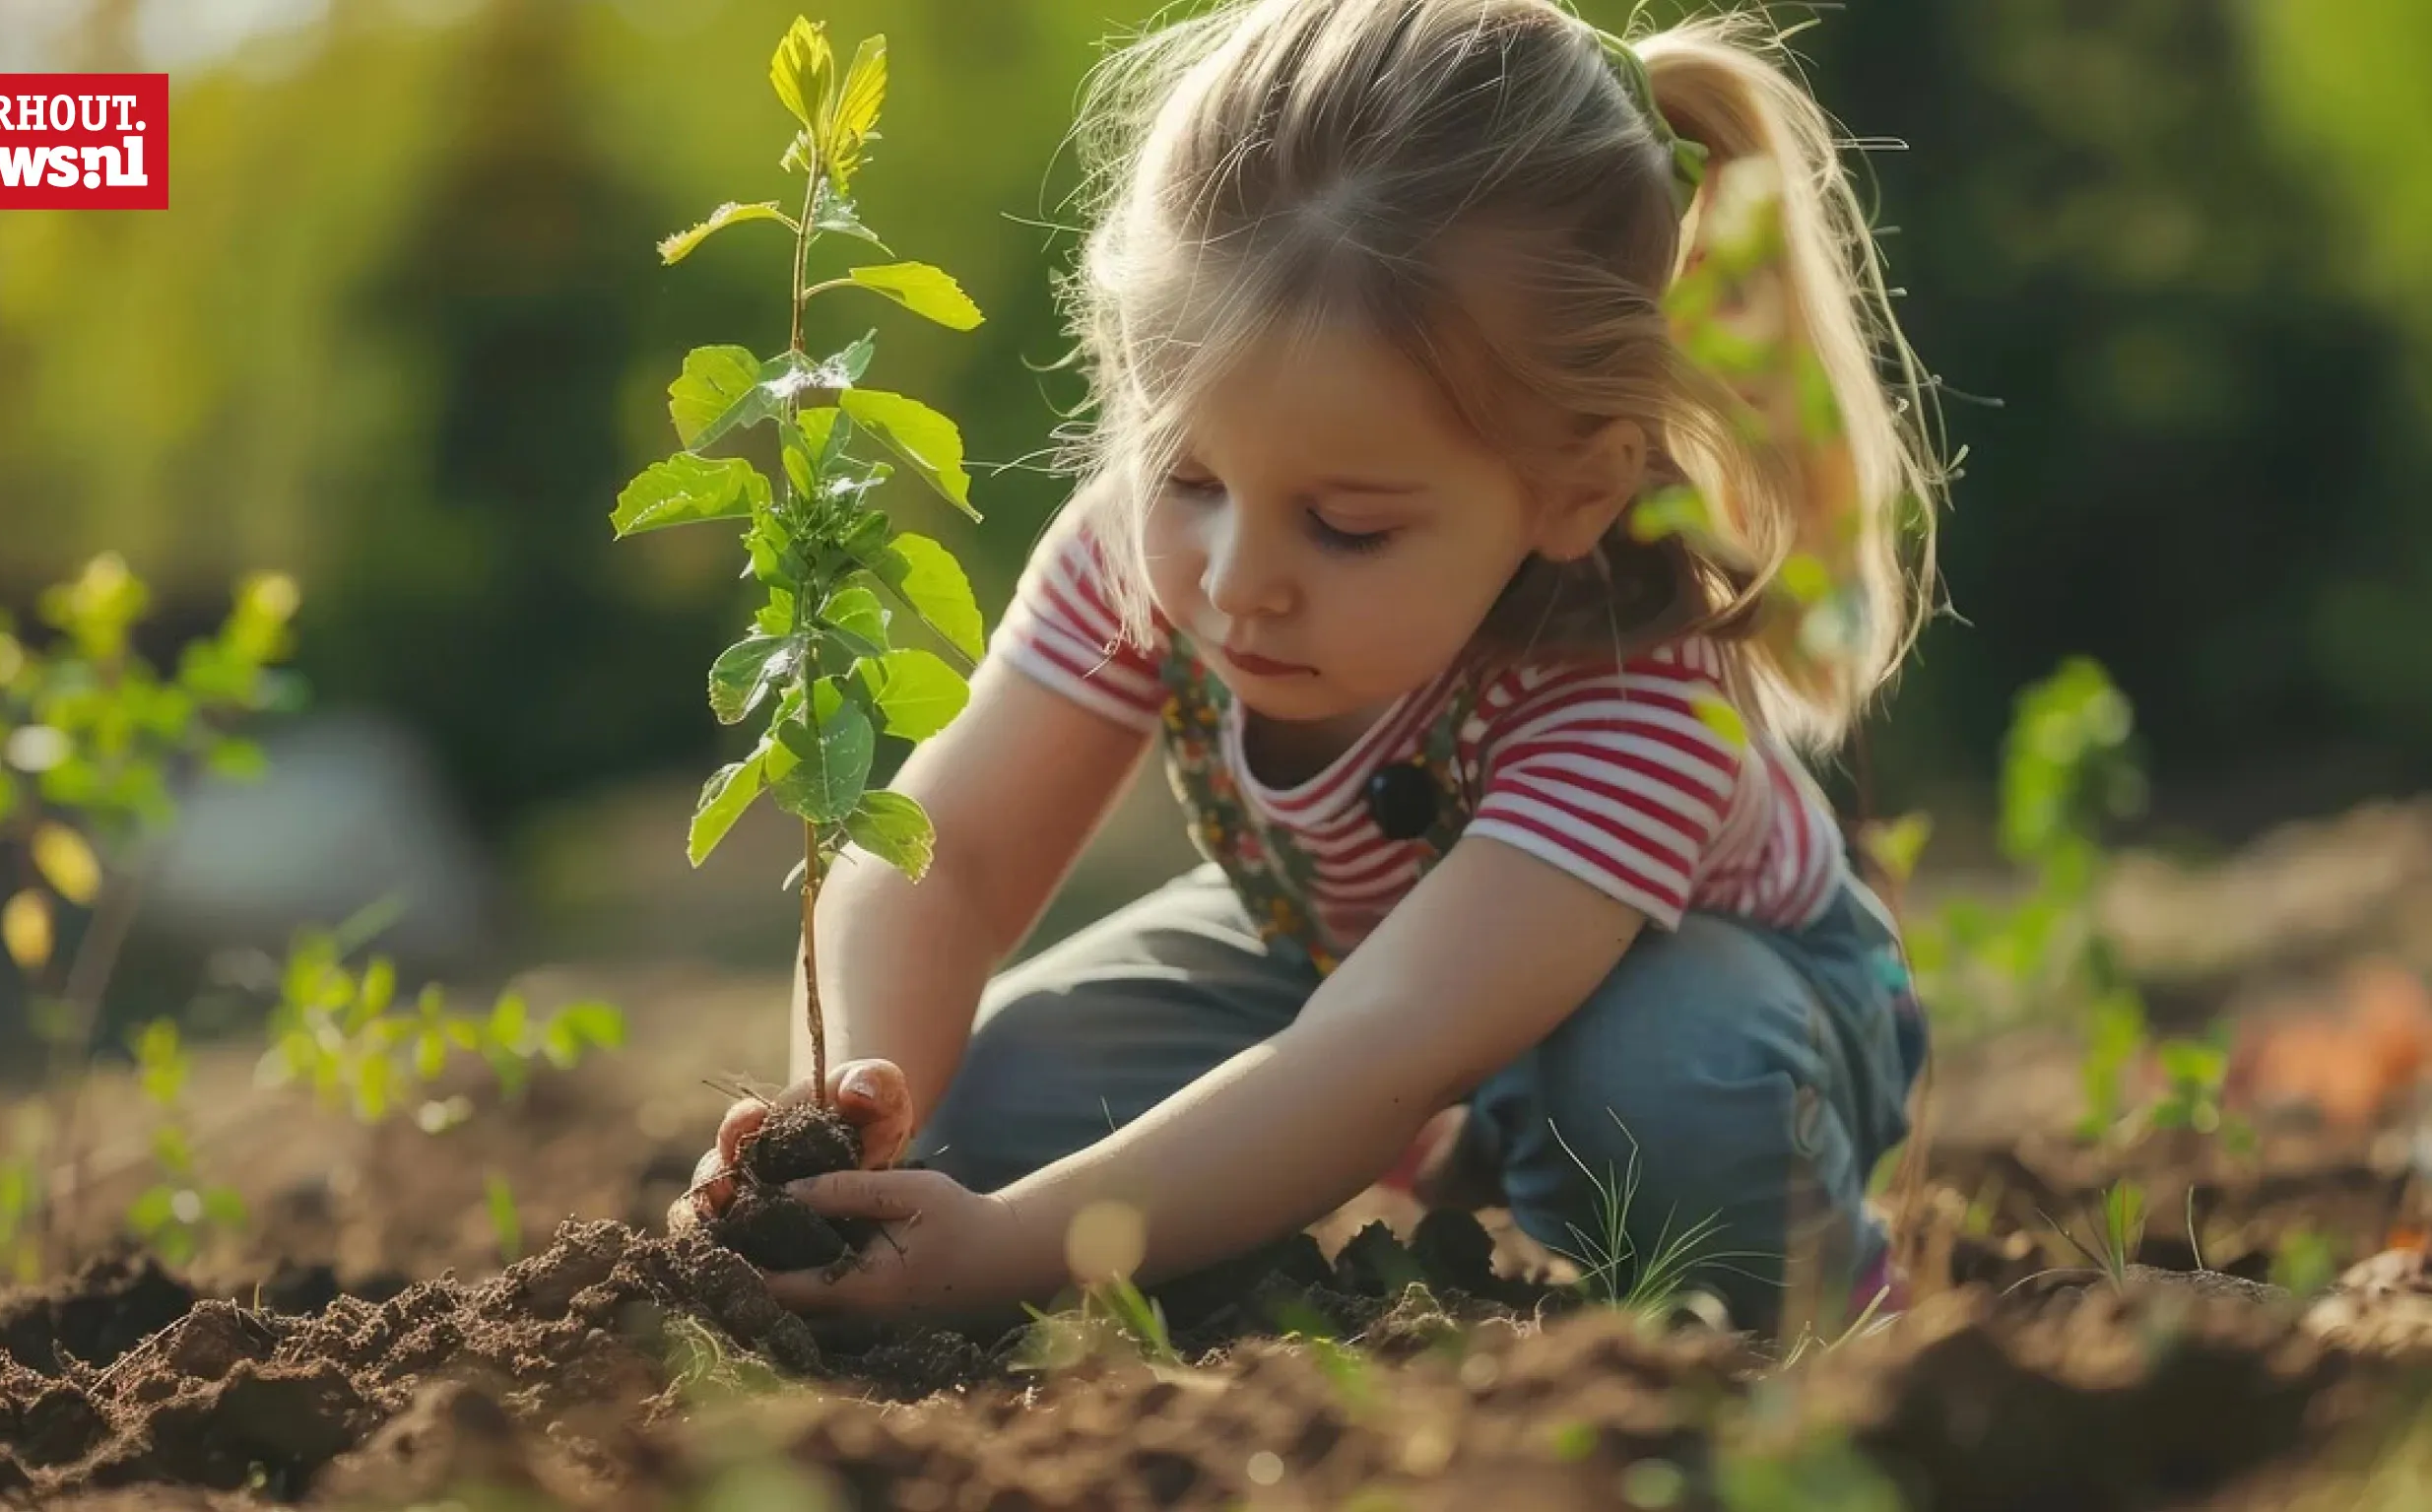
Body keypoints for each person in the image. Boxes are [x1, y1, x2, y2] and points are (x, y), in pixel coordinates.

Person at [671, 0, 1939, 1336]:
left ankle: (1826, 1285)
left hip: (1703, 992)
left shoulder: (1633, 691)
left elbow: (1378, 1050)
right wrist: (858, 1101)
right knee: (983, 1111)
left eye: (1348, 526)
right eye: (1191, 475)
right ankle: (1471, 1128)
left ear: (1574, 489)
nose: (1236, 578)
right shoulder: (1142, 550)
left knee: (1673, 1090)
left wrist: (1005, 1255)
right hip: (1359, 973)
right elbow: (954, 854)